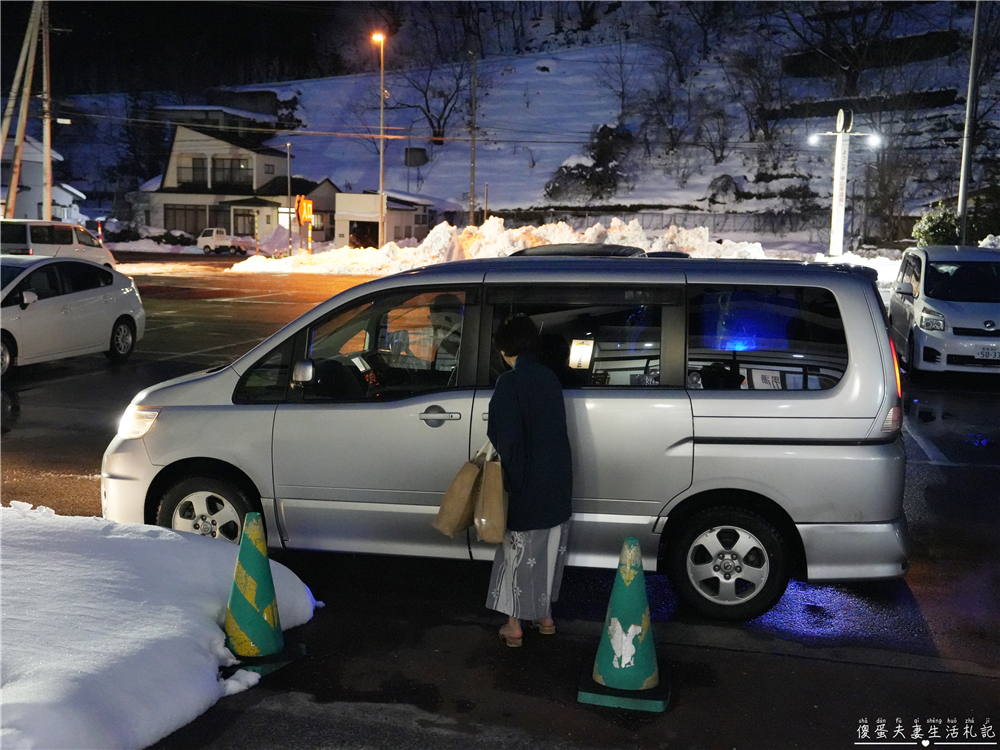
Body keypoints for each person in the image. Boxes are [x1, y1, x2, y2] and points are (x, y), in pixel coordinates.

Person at [485, 314, 573, 647]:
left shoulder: (510, 382)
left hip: (526, 483)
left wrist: (512, 480)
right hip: (557, 481)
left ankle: (514, 627)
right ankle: (545, 618)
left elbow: (505, 438)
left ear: (505, 349)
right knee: (547, 553)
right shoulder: (549, 377)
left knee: (518, 555)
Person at [428, 293, 463, 373]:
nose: (431, 319)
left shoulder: (454, 339)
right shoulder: (462, 333)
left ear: (444, 315)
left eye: (431, 315)